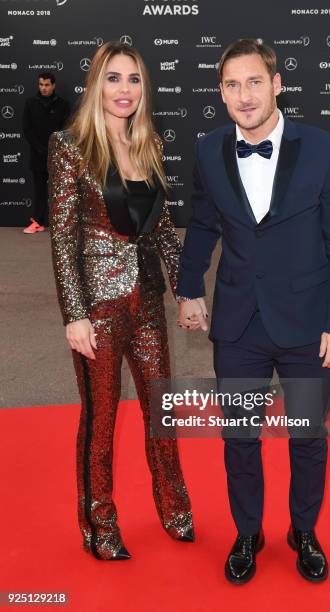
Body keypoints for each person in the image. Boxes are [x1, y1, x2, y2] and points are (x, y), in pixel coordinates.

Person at [177, 38, 330, 584]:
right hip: (238, 325)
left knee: (306, 436)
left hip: (310, 326)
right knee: (239, 437)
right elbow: (204, 225)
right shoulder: (210, 149)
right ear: (221, 93)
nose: (245, 94)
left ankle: (303, 530)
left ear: (277, 84)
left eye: (255, 81)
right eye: (232, 84)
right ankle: (247, 531)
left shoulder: (323, 149)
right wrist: (189, 289)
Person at [48, 41, 193, 561]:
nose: (124, 89)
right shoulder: (71, 145)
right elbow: (63, 238)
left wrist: (188, 293)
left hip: (148, 300)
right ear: (96, 84)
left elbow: (161, 232)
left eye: (133, 79)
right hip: (99, 307)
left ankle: (175, 509)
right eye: (114, 78)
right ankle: (100, 523)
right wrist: (75, 315)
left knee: (162, 412)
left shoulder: (149, 143)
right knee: (101, 418)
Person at [23, 72, 70, 234]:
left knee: (61, 191)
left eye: (47, 85)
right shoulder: (30, 103)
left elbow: (66, 129)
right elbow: (27, 130)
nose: (43, 88)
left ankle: (62, 225)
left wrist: (53, 148)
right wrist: (40, 148)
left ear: (53, 85)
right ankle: (37, 222)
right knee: (40, 191)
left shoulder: (63, 105)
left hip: (57, 155)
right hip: (38, 156)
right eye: (41, 85)